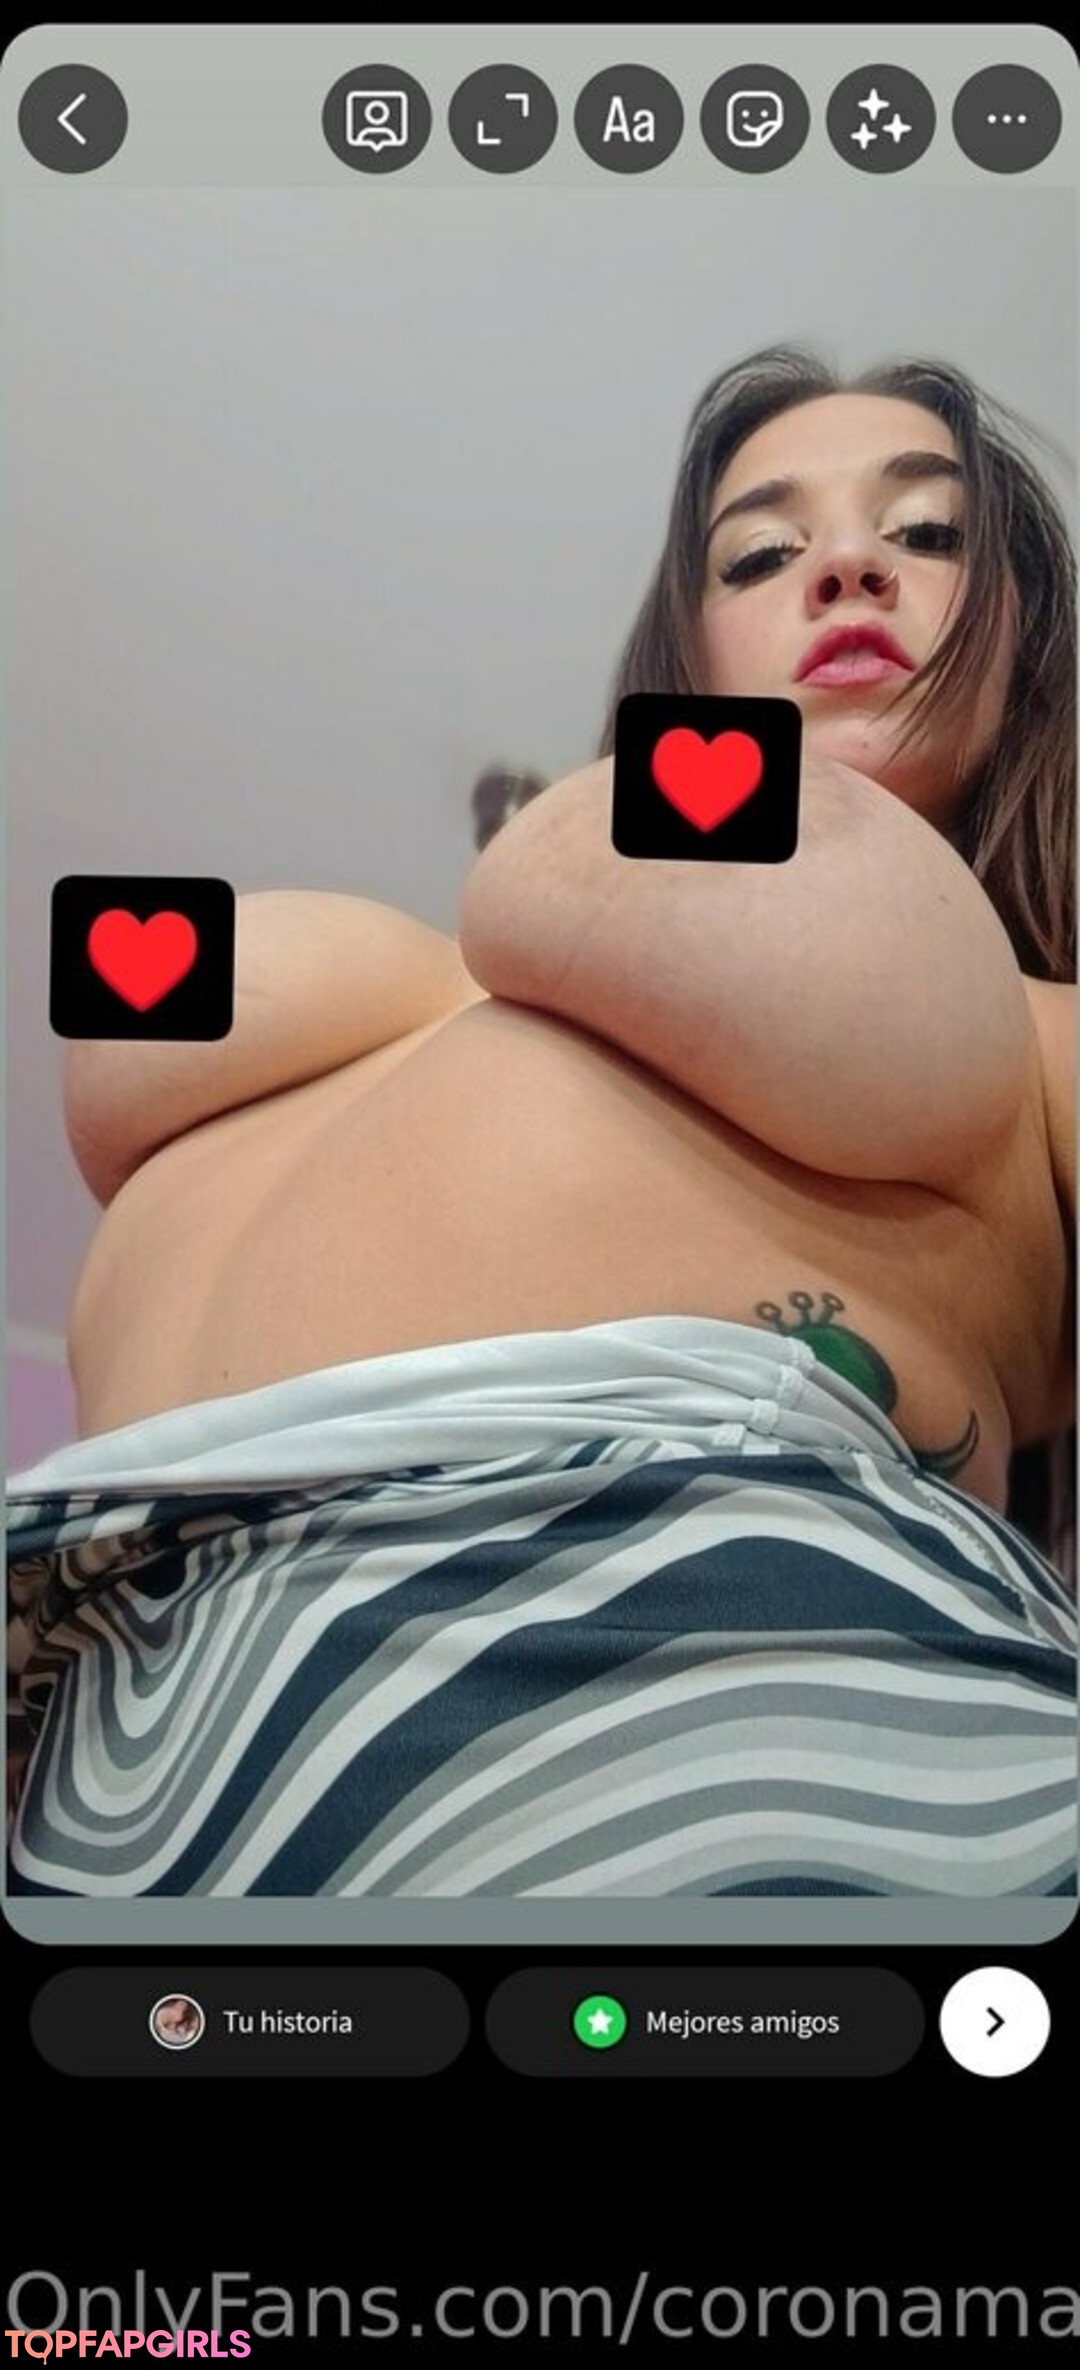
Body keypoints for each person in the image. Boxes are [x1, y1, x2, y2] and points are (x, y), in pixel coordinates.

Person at [8, 346, 1075, 1899]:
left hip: (675, 1668)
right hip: (111, 1735)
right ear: (687, 640)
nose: (849, 565)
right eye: (759, 552)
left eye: (926, 531)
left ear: (1030, 636)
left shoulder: (1038, 1022)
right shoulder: (454, 977)